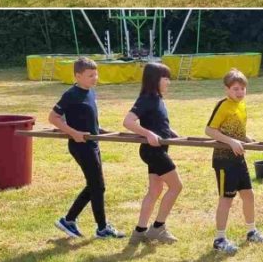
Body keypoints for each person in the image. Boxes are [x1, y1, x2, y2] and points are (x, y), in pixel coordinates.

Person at [49, 58, 124, 240]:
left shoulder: (90, 92)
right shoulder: (71, 94)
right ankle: (100, 228)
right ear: (78, 76)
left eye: (96, 74)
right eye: (90, 75)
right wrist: (73, 133)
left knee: (95, 186)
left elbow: (87, 118)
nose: (95, 78)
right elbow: (53, 117)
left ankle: (70, 220)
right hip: (81, 146)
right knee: (97, 186)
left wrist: (100, 130)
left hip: (92, 144)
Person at [204, 69, 263, 253]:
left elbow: (236, 131)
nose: (240, 92)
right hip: (224, 160)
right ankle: (219, 239)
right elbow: (210, 130)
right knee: (226, 199)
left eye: (242, 88)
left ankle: (251, 232)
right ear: (226, 89)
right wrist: (231, 142)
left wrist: (245, 138)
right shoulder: (223, 105)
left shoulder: (241, 105)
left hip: (238, 159)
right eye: (235, 89)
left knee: (248, 195)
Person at [123, 62, 182, 244]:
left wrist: (169, 132)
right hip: (153, 151)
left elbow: (156, 121)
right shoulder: (147, 98)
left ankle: (139, 232)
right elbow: (128, 122)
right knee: (176, 187)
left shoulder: (157, 99)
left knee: (155, 190)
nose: (168, 82)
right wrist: (148, 134)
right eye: (165, 78)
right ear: (154, 79)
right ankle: (157, 228)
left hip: (157, 150)